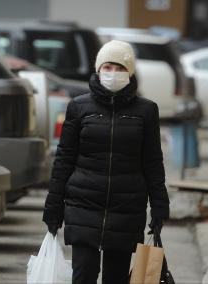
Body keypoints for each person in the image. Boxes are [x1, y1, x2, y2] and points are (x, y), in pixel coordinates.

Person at [42, 40, 170, 284]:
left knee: (116, 278)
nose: (113, 73)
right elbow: (64, 159)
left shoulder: (146, 111)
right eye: (108, 67)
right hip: (83, 204)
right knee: (84, 275)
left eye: (120, 68)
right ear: (98, 69)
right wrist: (53, 206)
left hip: (126, 207)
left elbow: (153, 161)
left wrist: (160, 206)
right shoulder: (79, 107)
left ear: (130, 72)